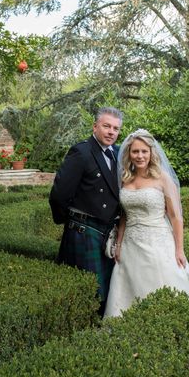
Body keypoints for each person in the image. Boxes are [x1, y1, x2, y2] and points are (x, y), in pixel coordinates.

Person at [104, 129, 189, 318]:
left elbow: (176, 217)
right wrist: (119, 243)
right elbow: (124, 216)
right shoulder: (125, 178)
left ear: (151, 152)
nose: (140, 156)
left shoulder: (162, 178)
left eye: (144, 151)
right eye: (135, 151)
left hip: (158, 242)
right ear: (129, 154)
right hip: (131, 244)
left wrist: (179, 249)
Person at [49, 107, 123, 315]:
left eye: (115, 128)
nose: (111, 132)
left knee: (108, 288)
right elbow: (59, 194)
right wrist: (72, 223)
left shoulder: (118, 153)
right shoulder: (81, 152)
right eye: (106, 126)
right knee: (91, 289)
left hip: (107, 231)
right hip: (83, 230)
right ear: (95, 126)